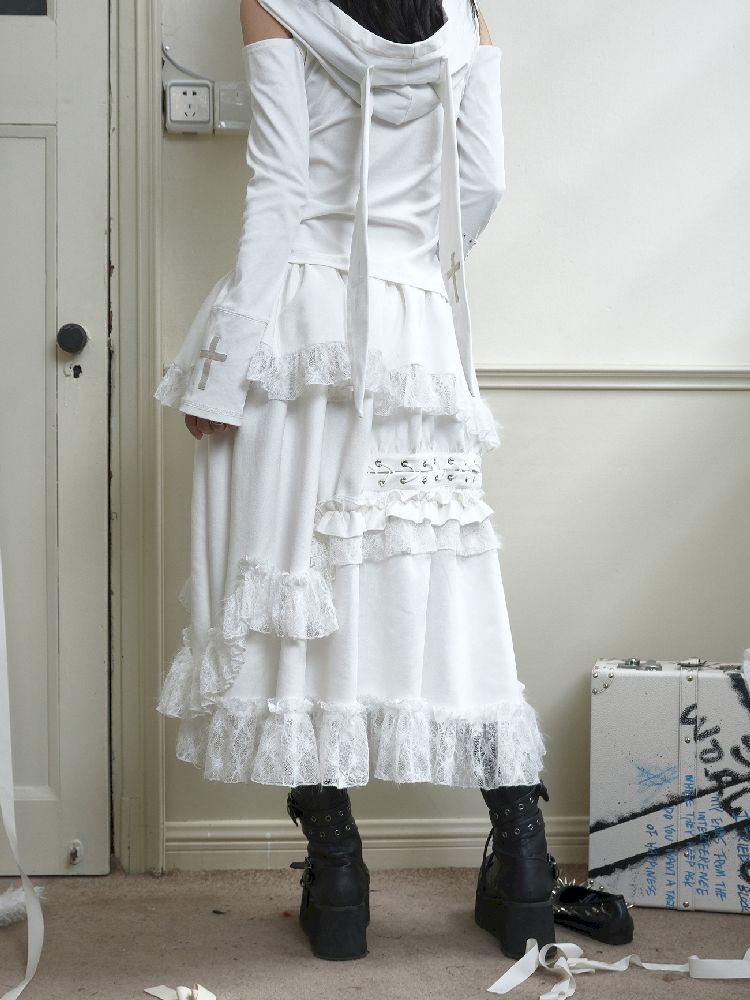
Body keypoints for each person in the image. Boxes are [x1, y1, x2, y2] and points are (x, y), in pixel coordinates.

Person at [154, 0, 558, 962]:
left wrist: (225, 367)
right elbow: (484, 180)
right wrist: (415, 271)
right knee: (443, 590)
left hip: (300, 328)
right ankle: (526, 862)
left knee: (292, 593)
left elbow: (280, 186)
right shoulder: (464, 17)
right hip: (417, 332)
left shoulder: (274, 6)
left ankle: (337, 874)